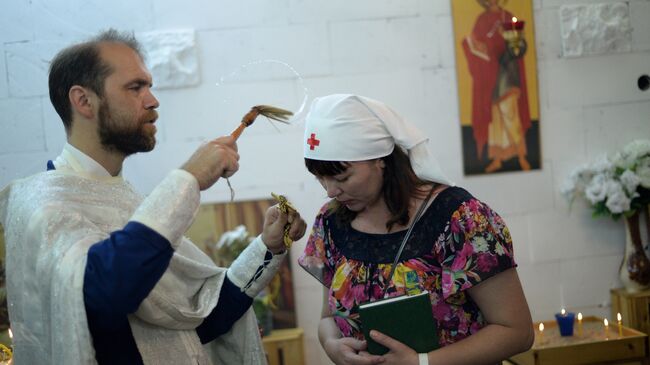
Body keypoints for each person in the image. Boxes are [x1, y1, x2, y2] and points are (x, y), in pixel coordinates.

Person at [0, 29, 307, 364]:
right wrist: (188, 178)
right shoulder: (39, 204)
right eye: (135, 87)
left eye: (148, 85)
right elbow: (109, 292)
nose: (153, 100)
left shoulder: (128, 201)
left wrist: (268, 246)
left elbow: (196, 323)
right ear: (83, 100)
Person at [298, 94, 534, 365]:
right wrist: (331, 345)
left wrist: (423, 362)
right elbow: (328, 318)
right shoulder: (331, 222)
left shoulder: (459, 218)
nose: (331, 191)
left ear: (380, 160)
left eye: (342, 177)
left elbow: (516, 331)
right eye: (321, 179)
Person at [462, 0, 532, 173]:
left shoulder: (507, 17)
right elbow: (476, 44)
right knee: (496, 122)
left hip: (507, 76)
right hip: (489, 79)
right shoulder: (481, 20)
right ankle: (498, 158)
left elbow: (520, 48)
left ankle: (521, 155)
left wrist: (513, 43)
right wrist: (471, 45)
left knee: (511, 115)